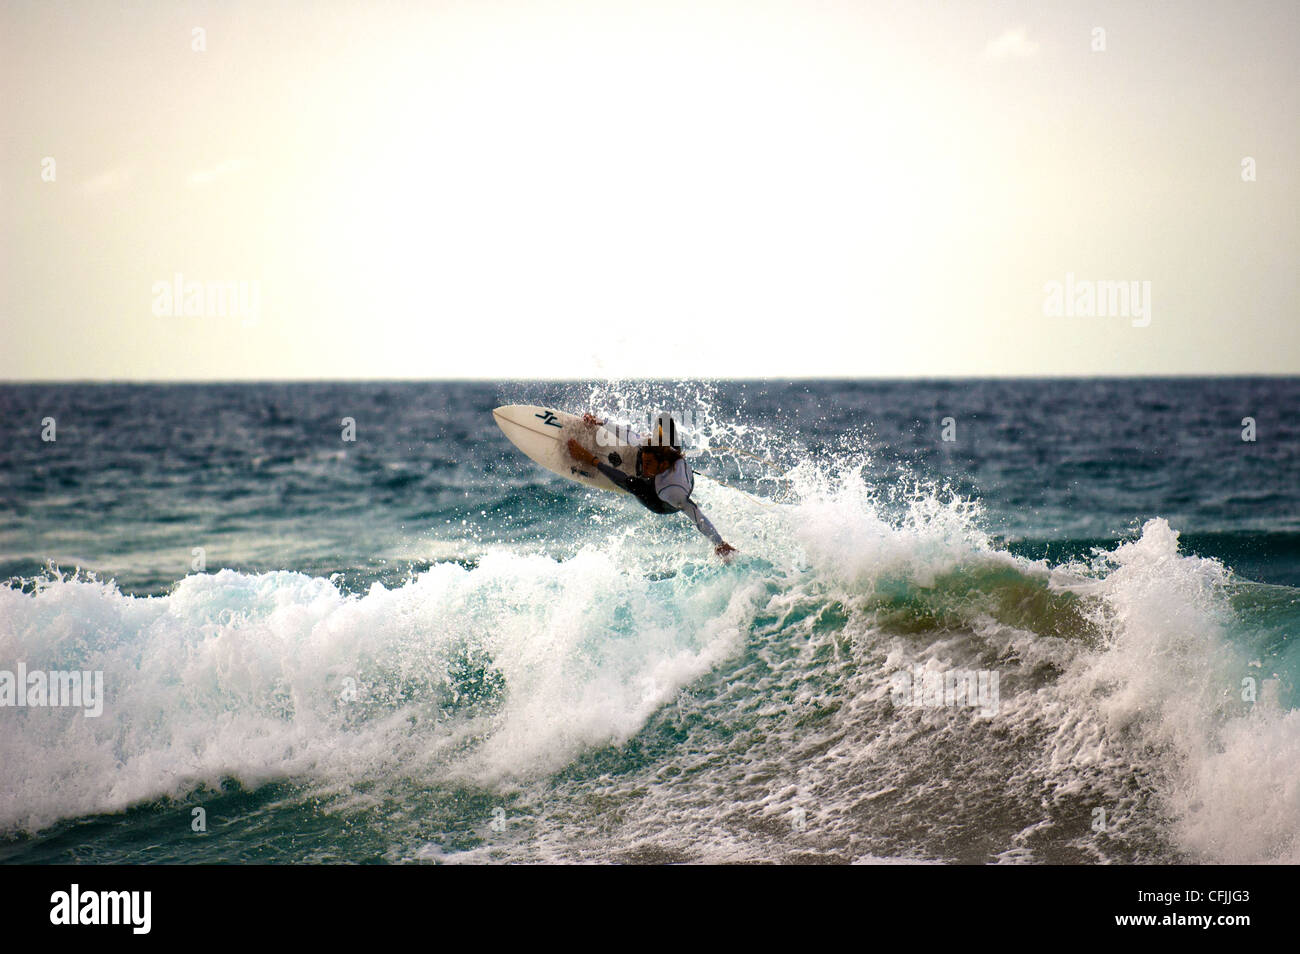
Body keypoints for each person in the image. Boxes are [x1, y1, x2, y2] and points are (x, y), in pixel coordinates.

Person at [566, 411, 737, 562]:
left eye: (648, 464)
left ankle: (591, 460)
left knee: (634, 484)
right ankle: (645, 457)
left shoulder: (671, 491)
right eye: (644, 463)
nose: (644, 466)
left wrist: (719, 543)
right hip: (664, 465)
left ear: (662, 465)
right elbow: (631, 437)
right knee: (664, 420)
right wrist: (601, 422)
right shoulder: (661, 448)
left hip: (661, 503)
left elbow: (696, 515)